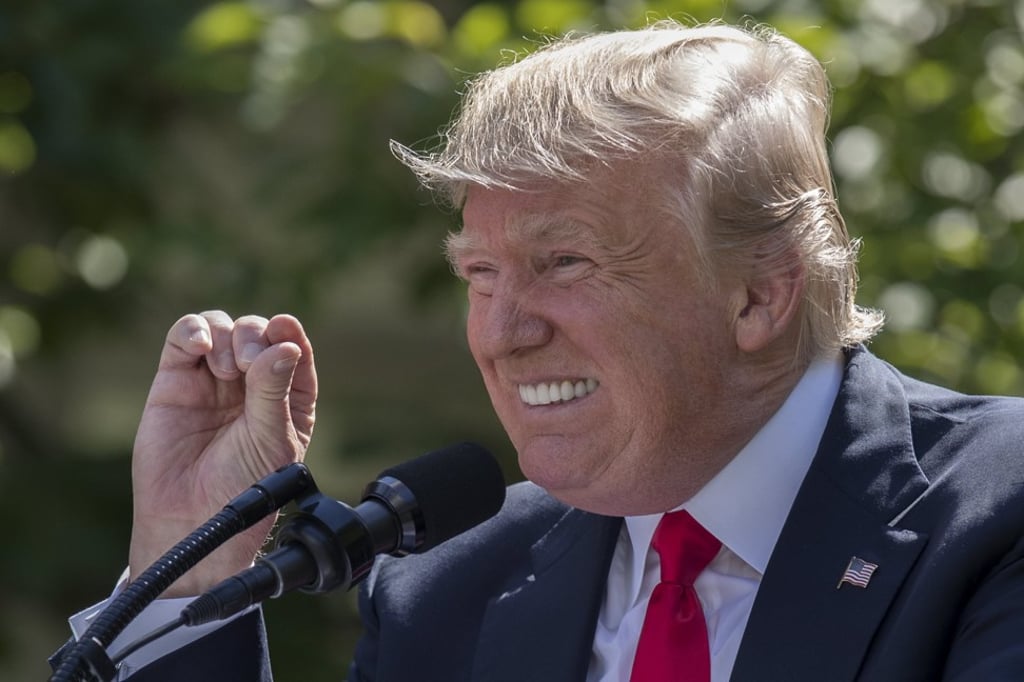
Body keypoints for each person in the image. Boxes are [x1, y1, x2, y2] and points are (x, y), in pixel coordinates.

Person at [55, 19, 1024, 681]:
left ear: (758, 294)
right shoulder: (448, 582)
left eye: (562, 262)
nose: (502, 331)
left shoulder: (995, 513)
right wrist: (189, 566)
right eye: (479, 274)